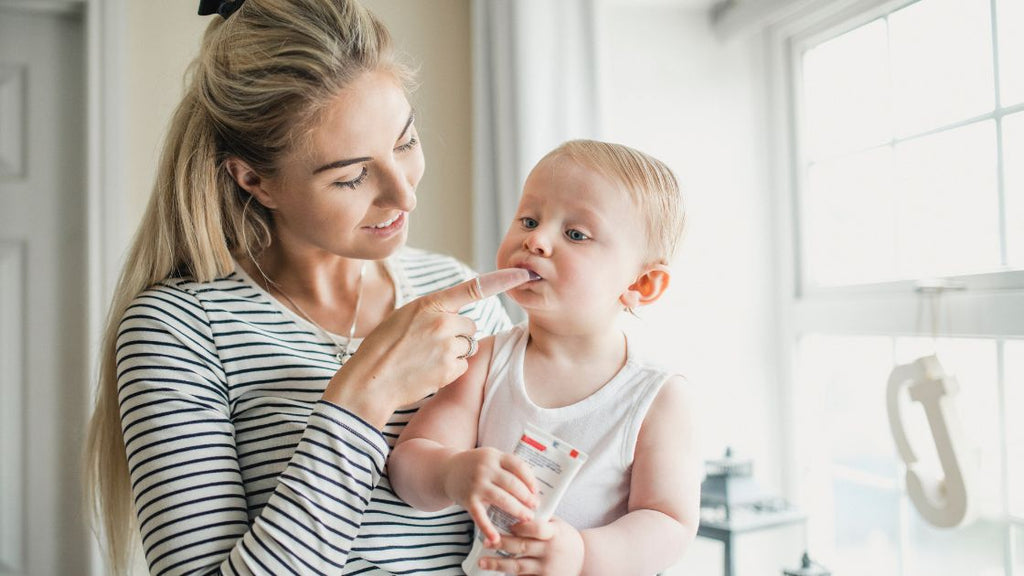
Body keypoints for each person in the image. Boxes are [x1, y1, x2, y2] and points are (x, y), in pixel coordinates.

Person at [83, 0, 533, 574]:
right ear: (255, 180)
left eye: (405, 142)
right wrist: (365, 396)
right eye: (351, 176)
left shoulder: (455, 289)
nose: (404, 196)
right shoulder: (176, 330)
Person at [390, 140, 702, 575]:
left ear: (643, 284)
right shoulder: (484, 361)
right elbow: (407, 465)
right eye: (529, 219)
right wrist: (451, 472)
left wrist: (581, 555)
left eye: (575, 234)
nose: (535, 240)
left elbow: (669, 522)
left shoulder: (657, 395)